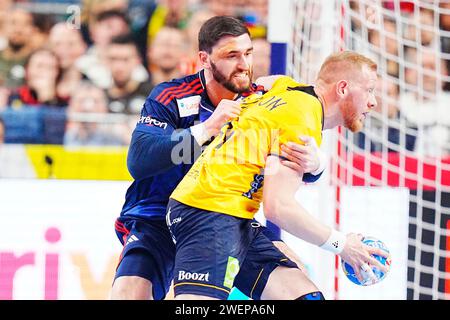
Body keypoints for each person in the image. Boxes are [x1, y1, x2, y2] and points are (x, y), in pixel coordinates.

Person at [111, 16, 326, 300]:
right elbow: (139, 161)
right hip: (157, 220)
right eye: (231, 55)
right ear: (204, 58)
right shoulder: (172, 96)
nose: (244, 64)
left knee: (302, 286)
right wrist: (205, 129)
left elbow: (288, 158)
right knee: (128, 294)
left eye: (248, 53)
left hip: (223, 217)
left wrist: (315, 165)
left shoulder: (261, 101)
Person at [167, 50, 390, 300]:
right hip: (207, 212)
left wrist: (317, 166)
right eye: (369, 90)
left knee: (304, 295)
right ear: (342, 88)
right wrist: (342, 245)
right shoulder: (302, 119)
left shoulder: (287, 88)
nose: (374, 102)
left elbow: (266, 83)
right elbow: (278, 208)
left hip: (233, 215)